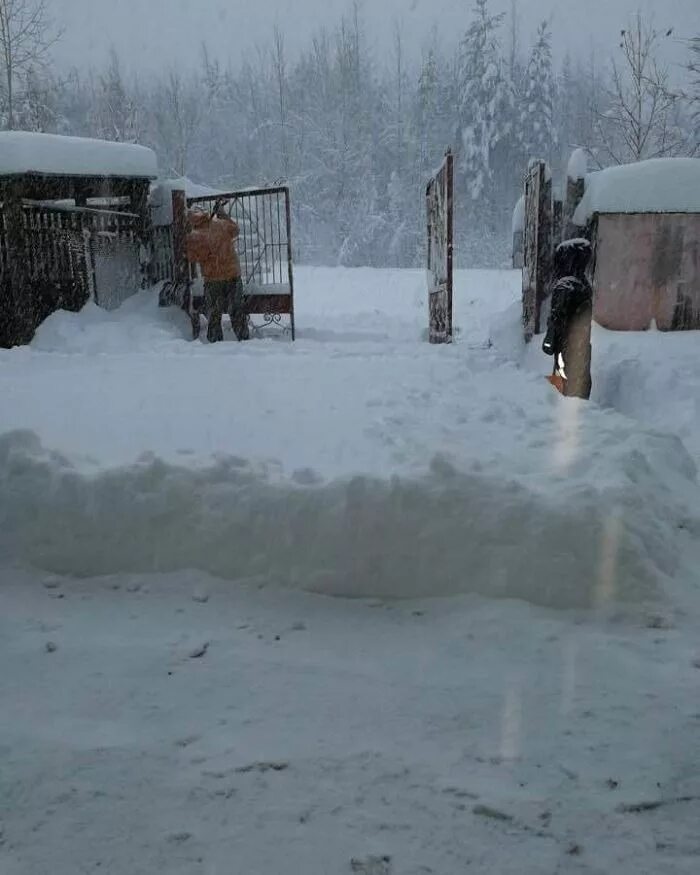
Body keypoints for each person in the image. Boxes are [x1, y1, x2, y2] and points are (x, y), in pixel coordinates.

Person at [185, 204, 249, 343]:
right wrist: (223, 215)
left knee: (214, 313)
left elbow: (192, 257)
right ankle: (244, 340)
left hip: (213, 278)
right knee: (237, 310)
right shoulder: (221, 225)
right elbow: (236, 230)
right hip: (232, 274)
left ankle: (215, 343)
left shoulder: (193, 237)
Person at [542, 238, 593, 400]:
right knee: (580, 381)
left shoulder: (564, 286)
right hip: (582, 344)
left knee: (562, 381)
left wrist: (550, 339)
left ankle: (561, 411)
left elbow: (557, 318)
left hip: (564, 345)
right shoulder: (584, 284)